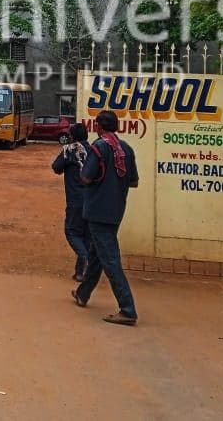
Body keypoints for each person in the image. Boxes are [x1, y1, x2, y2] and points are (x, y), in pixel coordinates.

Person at [71, 110, 139, 326]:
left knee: (110, 260)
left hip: (97, 210)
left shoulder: (99, 147)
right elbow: (134, 181)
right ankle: (83, 293)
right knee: (97, 254)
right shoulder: (126, 149)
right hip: (116, 209)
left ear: (99, 126)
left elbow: (86, 176)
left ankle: (127, 309)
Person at [51, 123, 91, 282]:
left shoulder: (70, 149)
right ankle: (80, 273)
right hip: (92, 199)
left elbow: (56, 167)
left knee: (72, 232)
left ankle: (85, 258)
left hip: (75, 199)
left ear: (72, 136)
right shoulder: (94, 149)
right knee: (86, 236)